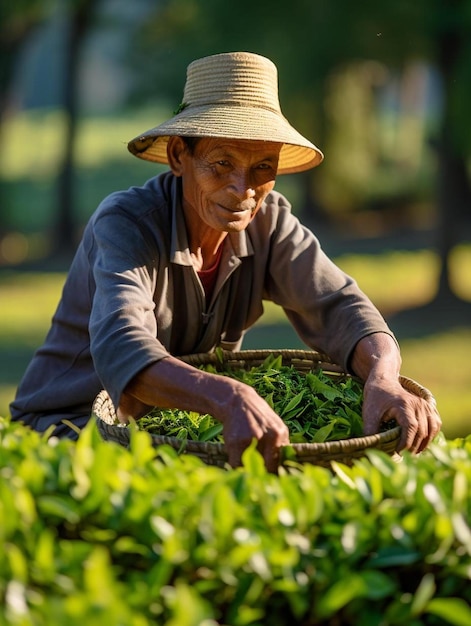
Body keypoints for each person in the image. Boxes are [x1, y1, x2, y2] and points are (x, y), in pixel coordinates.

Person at [10, 51, 441, 471]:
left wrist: (383, 378)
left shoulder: (269, 224)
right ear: (180, 157)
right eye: (222, 163)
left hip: (174, 437)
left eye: (262, 168)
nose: (243, 189)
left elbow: (342, 306)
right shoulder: (127, 224)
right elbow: (123, 346)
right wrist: (228, 397)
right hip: (70, 432)